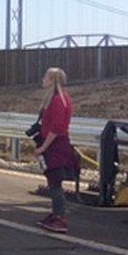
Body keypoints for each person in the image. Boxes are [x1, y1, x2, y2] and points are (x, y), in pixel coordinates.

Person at [34, 67, 78, 234]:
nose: (43, 79)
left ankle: (60, 218)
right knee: (52, 180)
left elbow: (57, 128)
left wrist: (44, 147)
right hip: (53, 144)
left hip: (56, 146)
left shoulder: (59, 100)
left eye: (46, 77)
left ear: (52, 80)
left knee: (55, 181)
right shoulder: (55, 99)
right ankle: (56, 214)